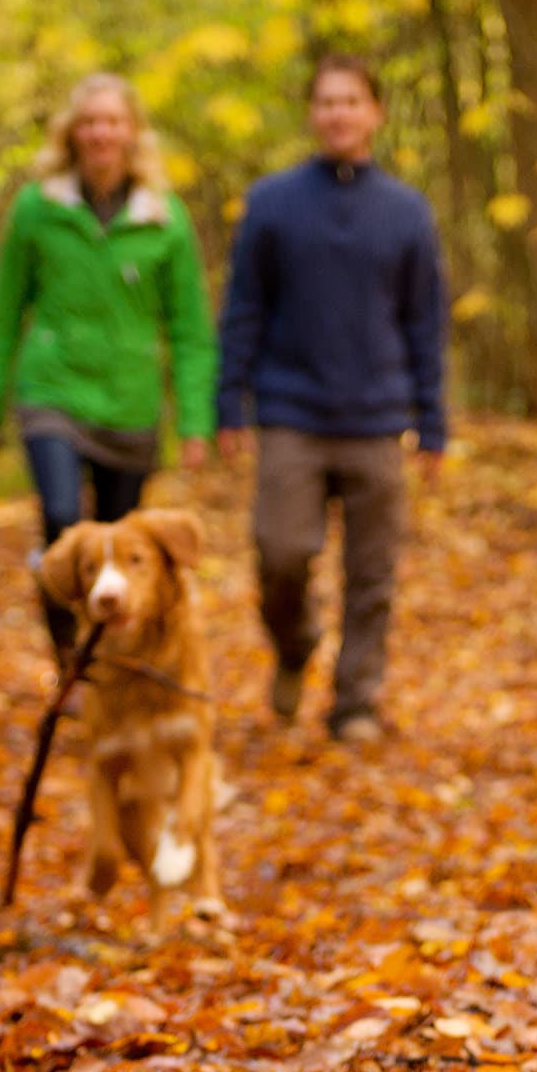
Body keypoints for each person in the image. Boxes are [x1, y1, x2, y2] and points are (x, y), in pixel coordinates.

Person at [216, 55, 448, 744]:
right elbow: (244, 310)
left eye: (351, 101)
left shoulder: (407, 211)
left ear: (374, 112)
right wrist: (230, 402)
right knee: (280, 551)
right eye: (326, 102)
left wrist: (432, 422)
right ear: (312, 114)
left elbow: (425, 323)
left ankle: (355, 701)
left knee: (372, 572)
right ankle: (295, 646)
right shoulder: (272, 203)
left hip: (378, 417)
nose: (338, 113)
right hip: (291, 412)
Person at [0, 74, 214, 657]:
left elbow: (190, 331)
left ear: (132, 132)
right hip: (52, 388)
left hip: (130, 400)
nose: (101, 132)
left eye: (113, 121)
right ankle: (67, 659)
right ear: (72, 133)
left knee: (122, 547)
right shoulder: (37, 208)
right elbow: (4, 313)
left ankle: (111, 658)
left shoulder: (165, 218)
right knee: (61, 520)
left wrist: (195, 422)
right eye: (90, 121)